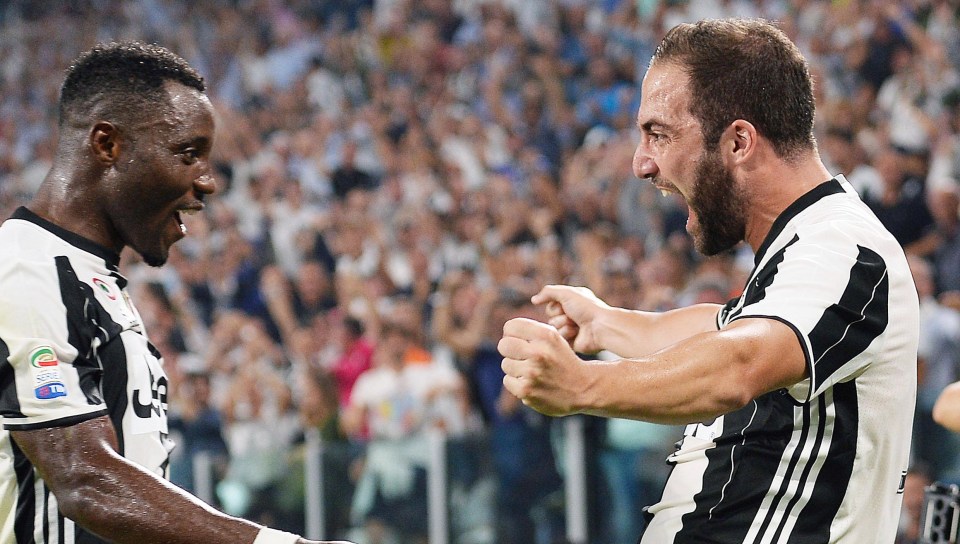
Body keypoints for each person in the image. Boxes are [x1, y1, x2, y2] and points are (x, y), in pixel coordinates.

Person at [499, 18, 919, 543]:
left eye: (659, 133)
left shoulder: (845, 248)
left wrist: (584, 386)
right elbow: (724, 332)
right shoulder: (803, 256)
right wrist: (604, 325)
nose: (641, 164)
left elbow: (738, 362)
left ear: (739, 142)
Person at [0, 42, 352, 544]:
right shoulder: (26, 268)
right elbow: (85, 480)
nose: (207, 182)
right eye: (188, 154)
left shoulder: (90, 278)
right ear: (107, 145)